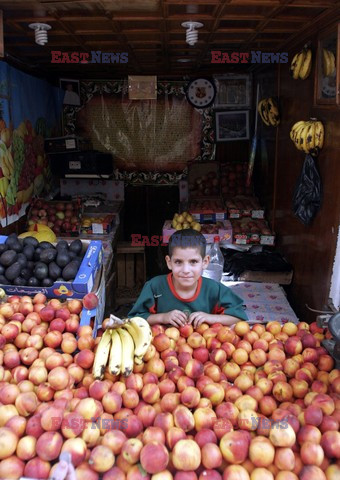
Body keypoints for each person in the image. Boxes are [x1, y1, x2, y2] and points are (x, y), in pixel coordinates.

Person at [128, 229, 248, 328]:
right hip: (161, 350)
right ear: (169, 262)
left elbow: (239, 317)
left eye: (193, 262)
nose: (186, 270)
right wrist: (163, 317)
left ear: (205, 262)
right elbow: (133, 319)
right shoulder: (154, 287)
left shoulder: (214, 289)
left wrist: (210, 318)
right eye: (178, 262)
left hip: (205, 350)